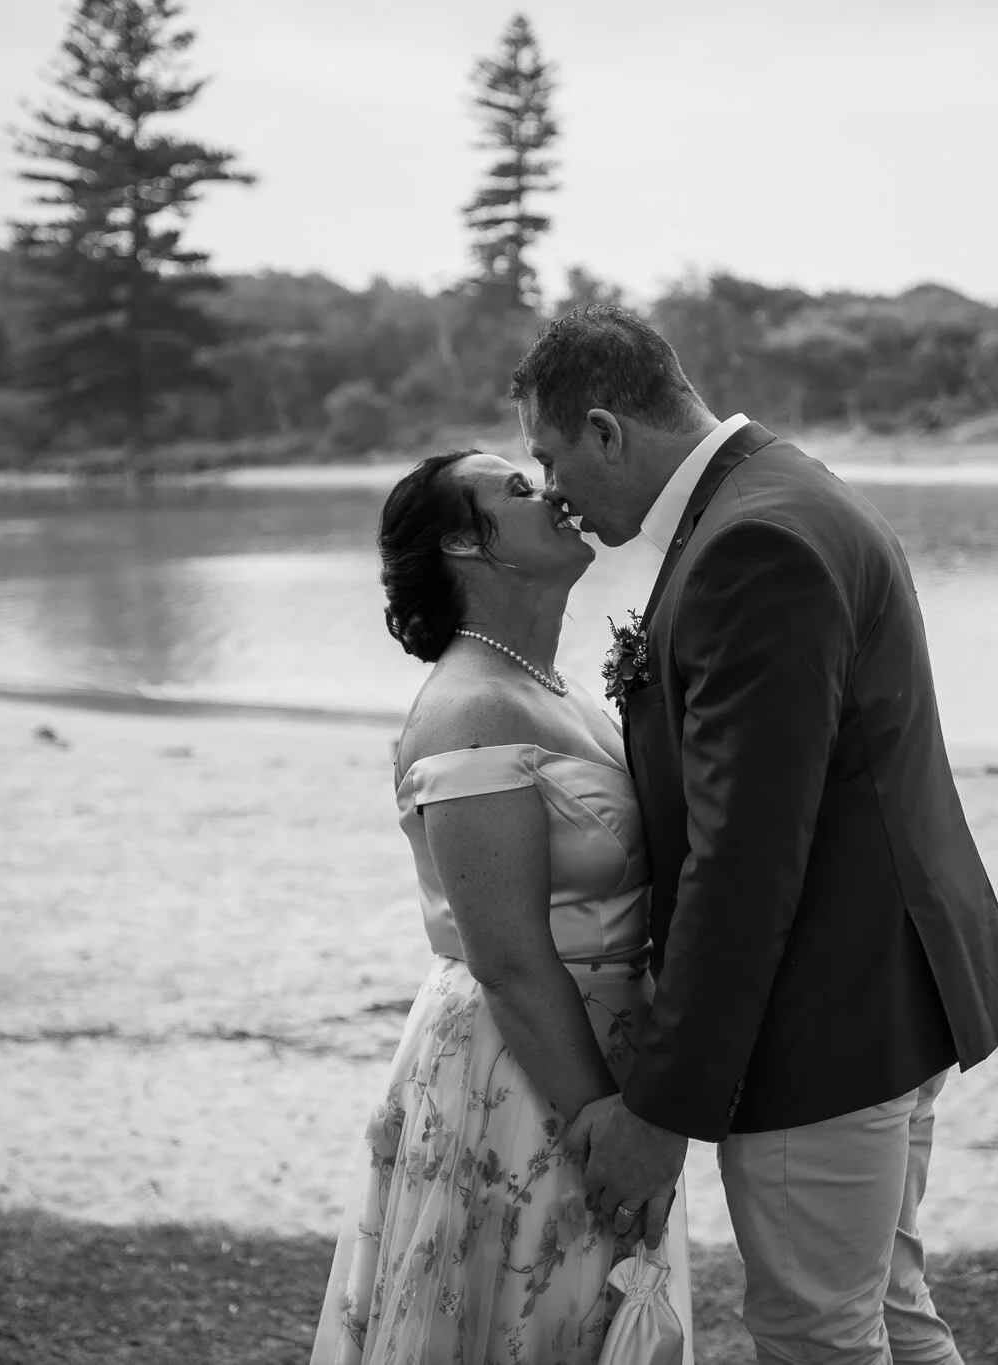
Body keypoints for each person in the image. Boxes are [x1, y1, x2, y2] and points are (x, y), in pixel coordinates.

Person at [522, 305, 998, 1365]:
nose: (553, 494)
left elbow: (743, 861)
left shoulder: (750, 545)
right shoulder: (773, 491)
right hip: (881, 992)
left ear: (608, 431)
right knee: (884, 1315)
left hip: (825, 1017)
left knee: (815, 1336)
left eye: (551, 457)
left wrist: (662, 1109)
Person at [311, 450, 694, 1363]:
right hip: (528, 1074)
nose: (553, 492)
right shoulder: (471, 707)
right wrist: (604, 1118)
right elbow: (510, 957)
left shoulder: (552, 691)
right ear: (461, 544)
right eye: (518, 490)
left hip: (605, 1059)